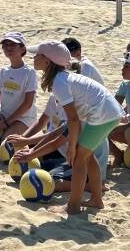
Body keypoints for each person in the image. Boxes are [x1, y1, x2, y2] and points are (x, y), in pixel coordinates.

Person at [14, 41, 121, 215]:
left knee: (79, 158)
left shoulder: (60, 82)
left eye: (38, 55)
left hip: (102, 114)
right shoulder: (62, 78)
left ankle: (73, 206)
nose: (34, 58)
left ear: (48, 61)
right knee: (87, 157)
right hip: (106, 112)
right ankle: (96, 199)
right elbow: (69, 125)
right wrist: (32, 154)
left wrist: (71, 147)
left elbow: (72, 119)